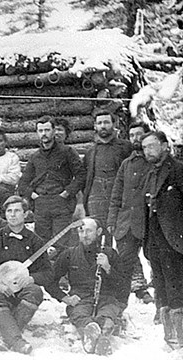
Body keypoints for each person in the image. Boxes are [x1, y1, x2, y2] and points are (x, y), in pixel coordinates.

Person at [0, 196, 53, 354]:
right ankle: (17, 341)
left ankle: (7, 336)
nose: (12, 214)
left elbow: (48, 272)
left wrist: (32, 278)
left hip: (22, 291)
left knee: (36, 291)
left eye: (17, 211)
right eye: (9, 211)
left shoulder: (35, 241)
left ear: (25, 214)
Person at [45, 218, 123, 355]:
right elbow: (50, 281)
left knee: (107, 321)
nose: (84, 235)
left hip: (106, 299)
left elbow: (122, 285)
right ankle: (95, 336)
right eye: (81, 231)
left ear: (98, 232)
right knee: (83, 320)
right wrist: (65, 298)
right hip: (80, 300)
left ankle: (100, 338)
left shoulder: (110, 254)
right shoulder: (69, 254)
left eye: (89, 231)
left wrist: (108, 267)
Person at [18, 116, 85, 252]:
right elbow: (23, 183)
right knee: (42, 245)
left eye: (47, 130)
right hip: (41, 204)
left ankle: (62, 272)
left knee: (61, 243)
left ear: (54, 131)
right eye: (40, 130)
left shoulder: (67, 152)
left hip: (61, 203)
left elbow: (81, 175)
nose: (44, 134)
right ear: (37, 133)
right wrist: (34, 195)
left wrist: (67, 193)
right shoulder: (35, 157)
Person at [141, 131, 183, 349]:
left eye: (152, 146)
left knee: (177, 287)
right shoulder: (150, 174)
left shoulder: (178, 170)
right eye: (145, 147)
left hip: (175, 240)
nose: (148, 151)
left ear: (165, 146)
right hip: (155, 240)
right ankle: (170, 337)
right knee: (161, 287)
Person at [107, 122, 153, 305]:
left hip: (150, 222)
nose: (135, 138)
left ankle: (163, 310)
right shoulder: (126, 164)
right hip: (127, 224)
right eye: (132, 135)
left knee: (157, 263)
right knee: (124, 267)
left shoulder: (154, 163)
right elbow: (116, 195)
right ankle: (119, 306)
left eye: (139, 134)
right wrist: (112, 220)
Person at [83, 110, 132, 224]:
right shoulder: (90, 152)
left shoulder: (125, 147)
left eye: (106, 122)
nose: (103, 126)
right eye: (99, 123)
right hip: (96, 200)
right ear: (95, 126)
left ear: (114, 125)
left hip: (118, 199)